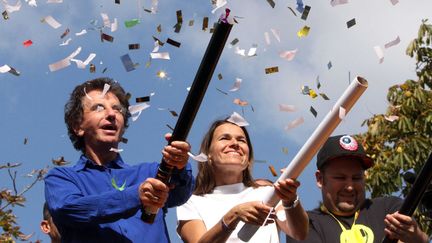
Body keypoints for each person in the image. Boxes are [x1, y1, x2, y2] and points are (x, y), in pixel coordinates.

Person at [44, 77, 194, 242]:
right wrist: (135, 196)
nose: (111, 114)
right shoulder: (61, 178)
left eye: (117, 109)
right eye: (98, 108)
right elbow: (69, 210)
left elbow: (180, 193)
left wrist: (179, 164)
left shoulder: (150, 173)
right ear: (78, 126)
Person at [177, 118, 309, 242]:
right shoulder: (190, 202)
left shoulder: (268, 193)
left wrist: (290, 199)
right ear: (208, 154)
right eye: (224, 138)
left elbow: (299, 233)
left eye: (241, 140)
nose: (234, 144)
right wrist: (233, 216)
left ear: (248, 157)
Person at [286, 134, 429, 243]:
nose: (349, 187)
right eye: (340, 178)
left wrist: (416, 237)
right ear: (320, 179)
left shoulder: (388, 208)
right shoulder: (304, 224)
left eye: (356, 178)